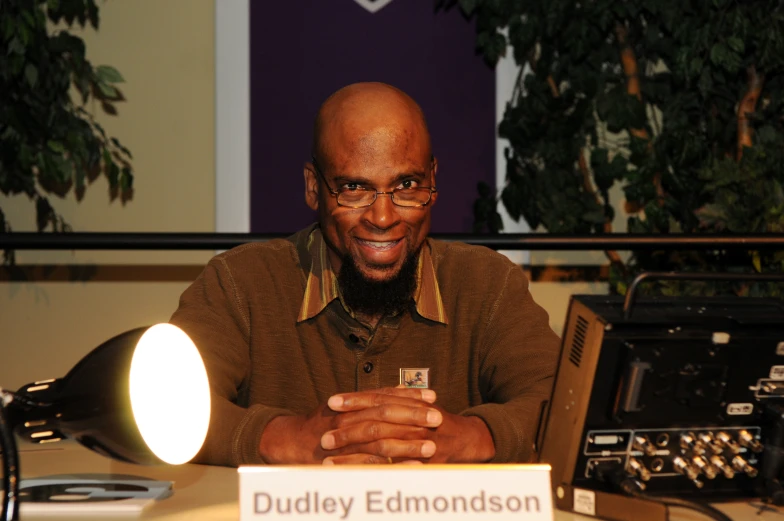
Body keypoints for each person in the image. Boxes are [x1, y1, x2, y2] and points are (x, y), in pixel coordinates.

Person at [170, 82, 560, 467]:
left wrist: (471, 437)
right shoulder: (240, 283)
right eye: (354, 188)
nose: (383, 217)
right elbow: (168, 404)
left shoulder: (487, 284)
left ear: (433, 181)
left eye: (406, 185)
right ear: (313, 188)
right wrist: (287, 438)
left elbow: (562, 403)